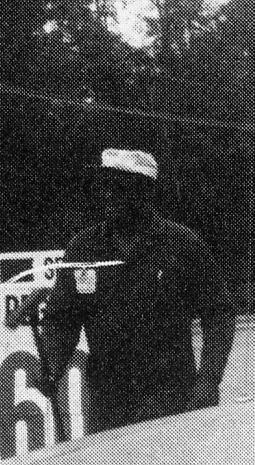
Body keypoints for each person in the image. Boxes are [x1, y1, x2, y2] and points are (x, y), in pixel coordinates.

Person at [43, 148, 236, 433]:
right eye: (104, 185)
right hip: (108, 401)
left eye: (119, 187)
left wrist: (208, 379)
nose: (107, 194)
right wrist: (51, 365)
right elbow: (62, 318)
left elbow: (218, 313)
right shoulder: (83, 247)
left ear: (145, 192)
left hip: (170, 398)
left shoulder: (183, 244)